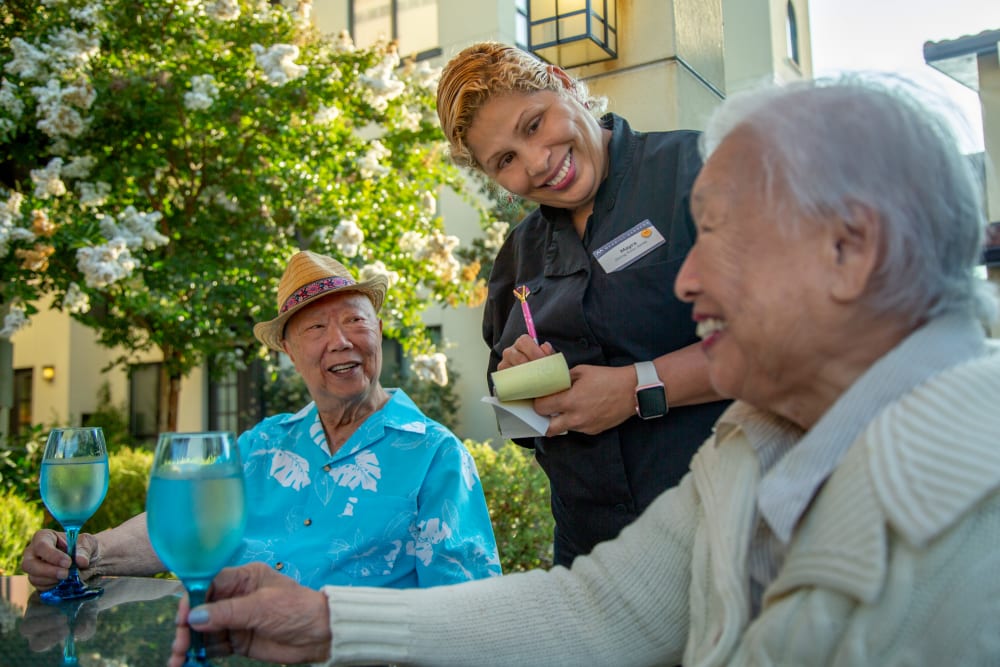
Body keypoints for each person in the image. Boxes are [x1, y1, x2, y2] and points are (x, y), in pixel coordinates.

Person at [170, 75, 1000, 666]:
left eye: (717, 235)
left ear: (849, 250)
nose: (685, 281)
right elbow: (599, 607)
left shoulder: (973, 513)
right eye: (502, 159)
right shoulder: (747, 456)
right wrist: (323, 621)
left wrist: (637, 385)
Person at [22, 251, 502, 590]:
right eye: (316, 327)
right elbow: (179, 524)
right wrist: (84, 554)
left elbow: (467, 606)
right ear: (290, 353)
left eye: (355, 321)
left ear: (377, 331)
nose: (340, 340)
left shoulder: (435, 457)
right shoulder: (262, 445)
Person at [437, 42, 729, 566]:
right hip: (590, 554)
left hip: (723, 532)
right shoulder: (517, 257)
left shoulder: (701, 169)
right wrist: (521, 387)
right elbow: (518, 427)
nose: (539, 163)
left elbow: (787, 343)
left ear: (561, 82)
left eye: (533, 124)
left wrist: (637, 388)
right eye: (505, 160)